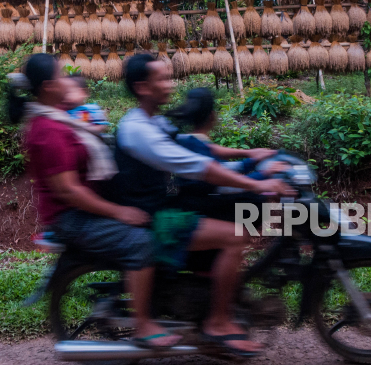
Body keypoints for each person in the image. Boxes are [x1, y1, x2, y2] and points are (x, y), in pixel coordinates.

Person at [103, 53, 294, 356]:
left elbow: (201, 147)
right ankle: (217, 323)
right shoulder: (138, 129)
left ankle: (211, 305)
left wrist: (249, 153)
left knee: (228, 218)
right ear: (142, 87)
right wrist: (258, 183)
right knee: (236, 236)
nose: (170, 85)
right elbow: (199, 165)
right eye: (162, 79)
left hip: (166, 205)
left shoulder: (154, 121)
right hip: (157, 217)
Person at [8, 54, 181, 349]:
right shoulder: (47, 131)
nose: (70, 80)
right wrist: (120, 212)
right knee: (140, 241)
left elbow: (81, 105)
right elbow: (69, 191)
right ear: (49, 86)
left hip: (85, 208)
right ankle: (143, 326)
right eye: (63, 76)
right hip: (73, 218)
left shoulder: (56, 112)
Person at [166, 87, 287, 224]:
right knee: (255, 203)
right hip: (201, 209)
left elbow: (222, 169)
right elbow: (226, 184)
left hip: (194, 204)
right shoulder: (198, 146)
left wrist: (252, 160)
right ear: (212, 116)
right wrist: (264, 174)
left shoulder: (186, 140)